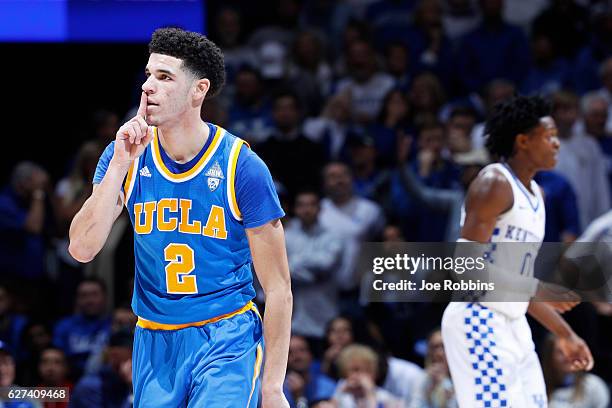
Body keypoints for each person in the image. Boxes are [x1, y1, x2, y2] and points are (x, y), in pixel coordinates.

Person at [68, 28, 292, 407]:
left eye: (164, 77)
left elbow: (278, 288)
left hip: (226, 336)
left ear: (198, 90)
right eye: (148, 75)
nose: (148, 87)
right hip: (155, 340)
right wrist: (121, 163)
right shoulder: (124, 155)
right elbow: (82, 248)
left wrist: (272, 386)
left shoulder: (242, 165)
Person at [441, 95, 594, 407]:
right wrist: (536, 286)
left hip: (513, 325)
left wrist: (565, 334)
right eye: (549, 137)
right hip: (478, 318)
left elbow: (517, 285)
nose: (557, 144)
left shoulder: (537, 194)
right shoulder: (494, 182)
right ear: (523, 141)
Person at [541, 335, 610, 408]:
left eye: (569, 351)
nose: (566, 356)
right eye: (560, 352)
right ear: (550, 357)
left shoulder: (593, 385)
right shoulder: (541, 387)